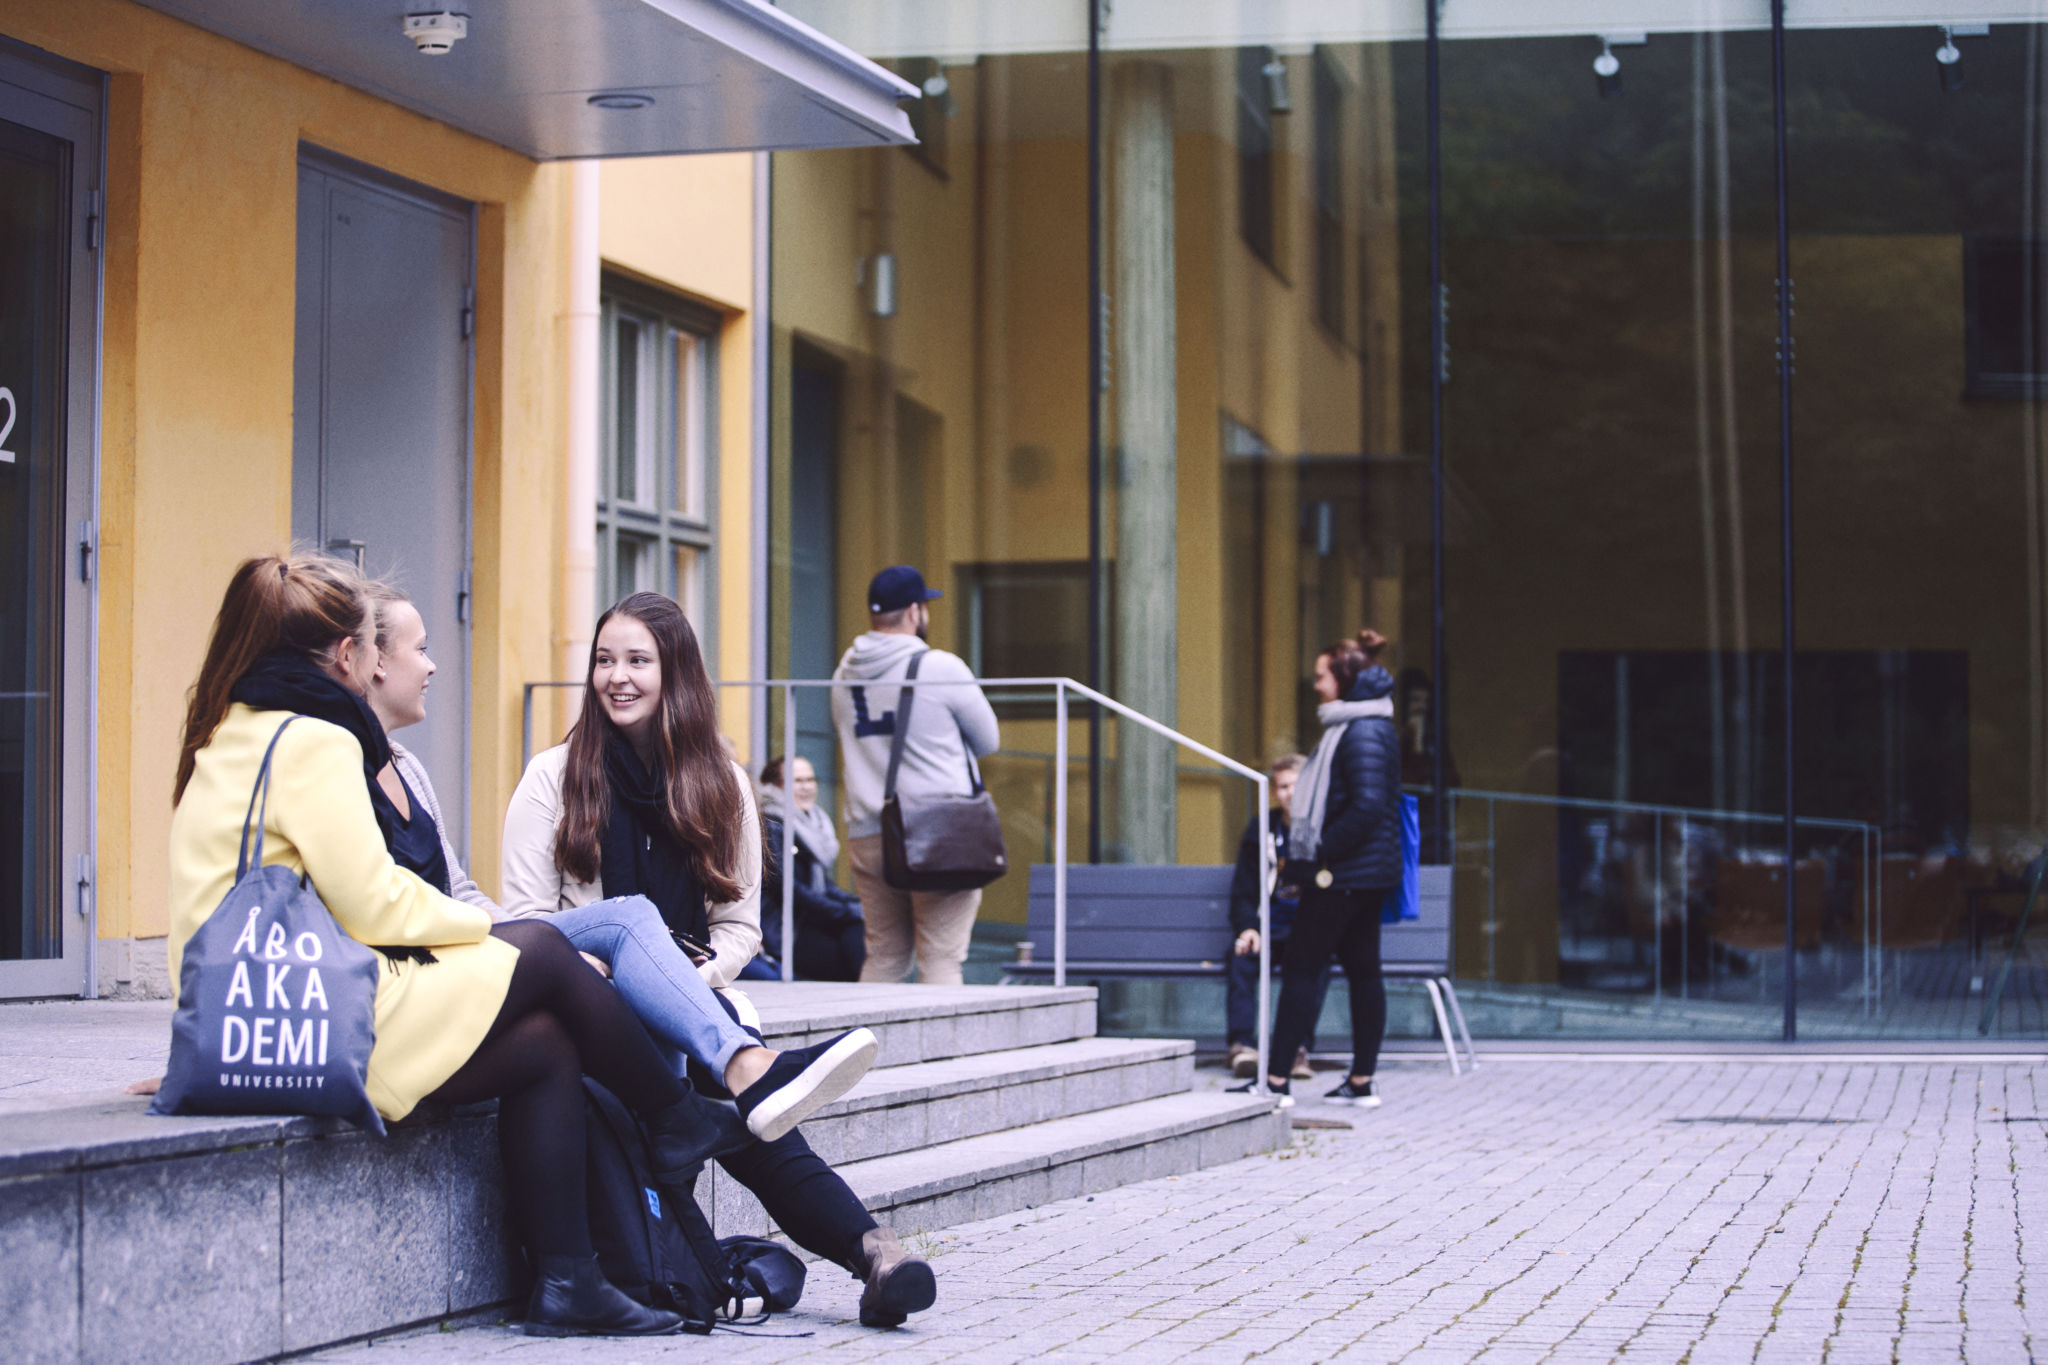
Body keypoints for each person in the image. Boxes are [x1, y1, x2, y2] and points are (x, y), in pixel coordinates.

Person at [168, 553, 740, 1338]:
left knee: (543, 1045)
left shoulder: (237, 730)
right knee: (539, 949)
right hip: (332, 1013)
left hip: (266, 1003)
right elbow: (373, 901)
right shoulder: (317, 742)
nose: (390, 664)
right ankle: (676, 1116)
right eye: (377, 649)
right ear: (348, 656)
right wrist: (494, 932)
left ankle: (570, 1281)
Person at [496, 589, 935, 1327]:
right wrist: (615, 977)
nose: (617, 676)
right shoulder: (553, 777)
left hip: (685, 1008)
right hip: (581, 998)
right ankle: (865, 1236)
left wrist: (685, 986)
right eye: (605, 660)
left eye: (638, 660)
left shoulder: (722, 784)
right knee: (738, 1082)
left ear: (677, 674)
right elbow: (527, 921)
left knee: (729, 1086)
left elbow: (738, 926)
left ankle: (874, 1254)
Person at [1253, 629, 1402, 1109]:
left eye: (1321, 676)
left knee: (1302, 970)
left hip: (1340, 876)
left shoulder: (1360, 731)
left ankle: (1275, 1082)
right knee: (1363, 972)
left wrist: (1315, 855)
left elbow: (1367, 808)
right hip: (1361, 874)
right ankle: (1361, 1082)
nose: (1315, 685)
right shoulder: (1363, 725)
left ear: (1343, 677)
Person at [830, 565, 1000, 986]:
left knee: (885, 956)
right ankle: (945, 1052)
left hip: (869, 830)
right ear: (914, 611)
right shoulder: (940, 667)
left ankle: (866, 1049)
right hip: (937, 834)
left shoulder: (843, 673)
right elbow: (988, 740)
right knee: (941, 957)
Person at [1224, 754, 1330, 1080]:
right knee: (1240, 958)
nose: (1289, 793)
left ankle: (1298, 1050)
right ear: (1274, 792)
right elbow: (1243, 889)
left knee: (1315, 965)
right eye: (1282, 787)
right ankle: (1242, 1048)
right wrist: (1248, 928)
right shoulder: (1261, 830)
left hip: (1308, 929)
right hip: (1269, 930)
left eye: (1296, 785)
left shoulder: (1323, 828)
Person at [751, 756, 866, 982]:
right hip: (787, 929)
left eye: (810, 780)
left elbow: (824, 886)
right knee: (852, 938)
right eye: (797, 781)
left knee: (859, 925)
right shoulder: (771, 825)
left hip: (809, 921)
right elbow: (788, 889)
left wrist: (857, 906)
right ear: (775, 787)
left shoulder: (814, 823)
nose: (806, 787)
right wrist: (844, 912)